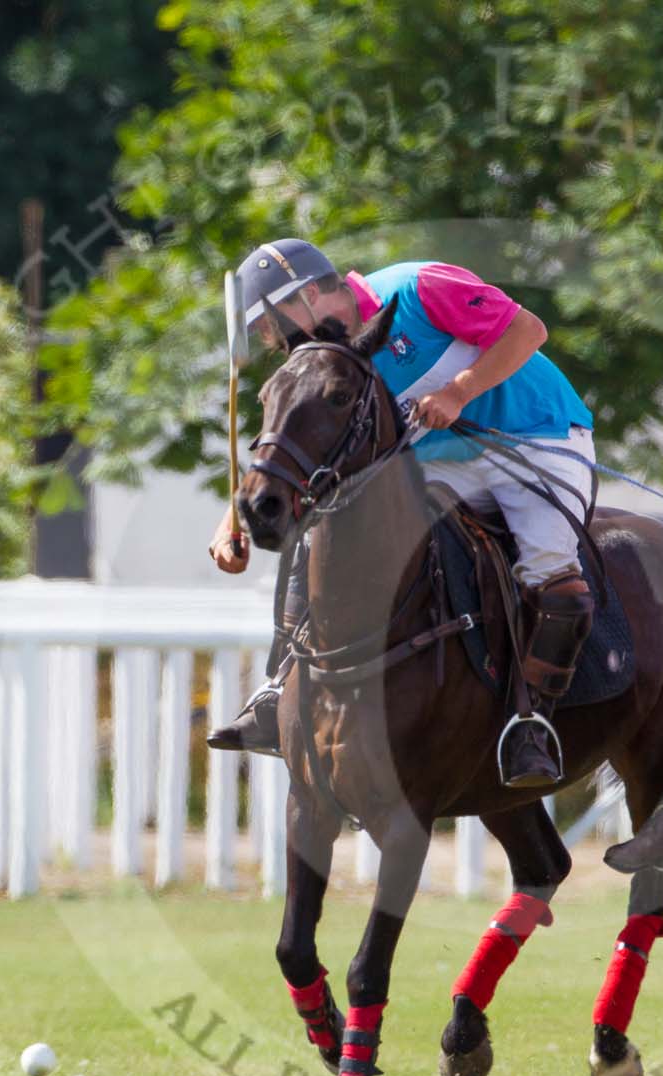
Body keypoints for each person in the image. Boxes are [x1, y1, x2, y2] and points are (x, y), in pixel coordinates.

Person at [205, 238, 598, 789]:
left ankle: (530, 723)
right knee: (326, 532)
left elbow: (527, 330)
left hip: (538, 438)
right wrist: (236, 516)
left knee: (549, 570)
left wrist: (459, 392)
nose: (272, 339)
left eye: (273, 322)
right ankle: (280, 685)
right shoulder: (324, 359)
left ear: (313, 292)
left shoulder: (417, 287)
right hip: (439, 463)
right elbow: (292, 444)